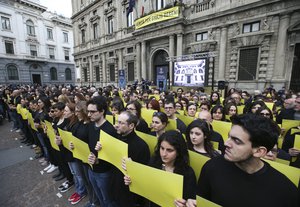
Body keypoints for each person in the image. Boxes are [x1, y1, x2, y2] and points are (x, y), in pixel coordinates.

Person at [187, 114, 299, 207]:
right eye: (229, 137)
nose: (226, 143)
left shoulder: (286, 192)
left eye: (237, 141)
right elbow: (201, 200)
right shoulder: (212, 167)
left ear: (259, 151)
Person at [124, 130, 197, 207]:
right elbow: (145, 188)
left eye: (170, 150)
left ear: (179, 152)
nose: (164, 154)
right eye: (162, 148)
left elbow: (190, 199)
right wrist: (132, 180)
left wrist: (185, 204)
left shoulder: (188, 173)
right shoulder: (154, 162)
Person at [97, 111, 150, 207]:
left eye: (121, 123)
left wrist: (132, 167)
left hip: (129, 195)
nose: (117, 125)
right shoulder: (116, 138)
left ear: (131, 126)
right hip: (114, 185)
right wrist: (101, 149)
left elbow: (144, 175)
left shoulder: (141, 146)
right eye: (117, 122)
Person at [86, 96, 119, 207]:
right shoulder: (91, 125)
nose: (89, 114)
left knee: (107, 199)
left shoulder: (110, 130)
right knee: (99, 196)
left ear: (102, 111)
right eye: (88, 111)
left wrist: (98, 160)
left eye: (92, 111)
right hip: (91, 168)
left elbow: (114, 157)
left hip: (104, 172)